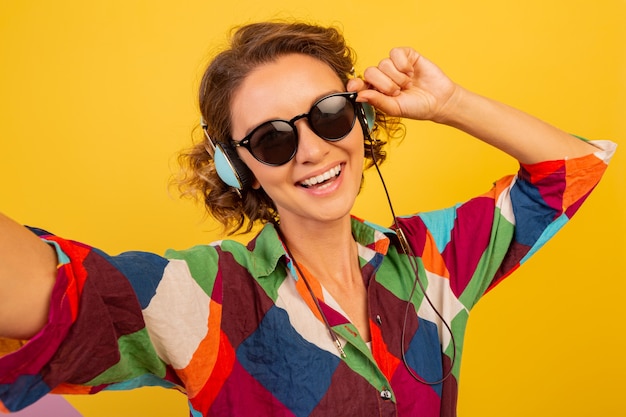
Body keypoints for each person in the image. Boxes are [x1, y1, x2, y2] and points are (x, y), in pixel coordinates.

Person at [0, 21, 616, 417]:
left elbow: (570, 171)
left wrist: (450, 103)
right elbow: (55, 295)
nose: (314, 150)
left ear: (362, 117)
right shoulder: (204, 295)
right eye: (272, 139)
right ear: (239, 168)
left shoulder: (431, 258)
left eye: (327, 114)